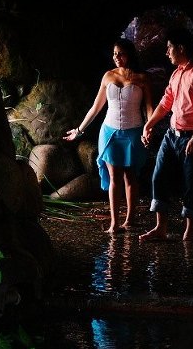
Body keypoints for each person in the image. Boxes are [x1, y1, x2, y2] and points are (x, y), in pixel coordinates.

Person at [64, 38, 153, 233]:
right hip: (109, 131)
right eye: (114, 54)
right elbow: (96, 108)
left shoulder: (142, 78)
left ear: (129, 54)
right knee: (114, 177)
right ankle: (114, 223)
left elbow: (148, 108)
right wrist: (79, 130)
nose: (117, 57)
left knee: (130, 176)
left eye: (121, 53)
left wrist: (149, 128)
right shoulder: (108, 76)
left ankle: (130, 219)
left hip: (133, 130)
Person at [139, 27, 193, 242]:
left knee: (192, 182)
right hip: (171, 134)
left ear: (181, 48)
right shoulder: (176, 73)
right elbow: (166, 102)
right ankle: (160, 228)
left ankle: (190, 231)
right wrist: (149, 124)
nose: (167, 53)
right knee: (158, 176)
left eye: (169, 48)